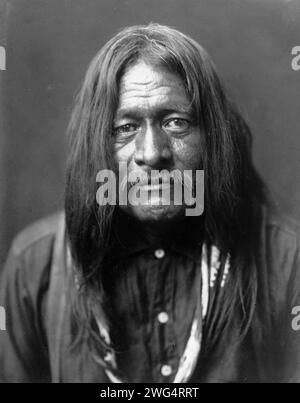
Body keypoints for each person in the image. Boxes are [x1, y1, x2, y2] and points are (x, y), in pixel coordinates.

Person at [1, 23, 300, 383]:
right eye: (125, 128)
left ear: (213, 137)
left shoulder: (286, 258)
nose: (151, 154)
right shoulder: (35, 265)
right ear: (96, 145)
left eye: (176, 122)